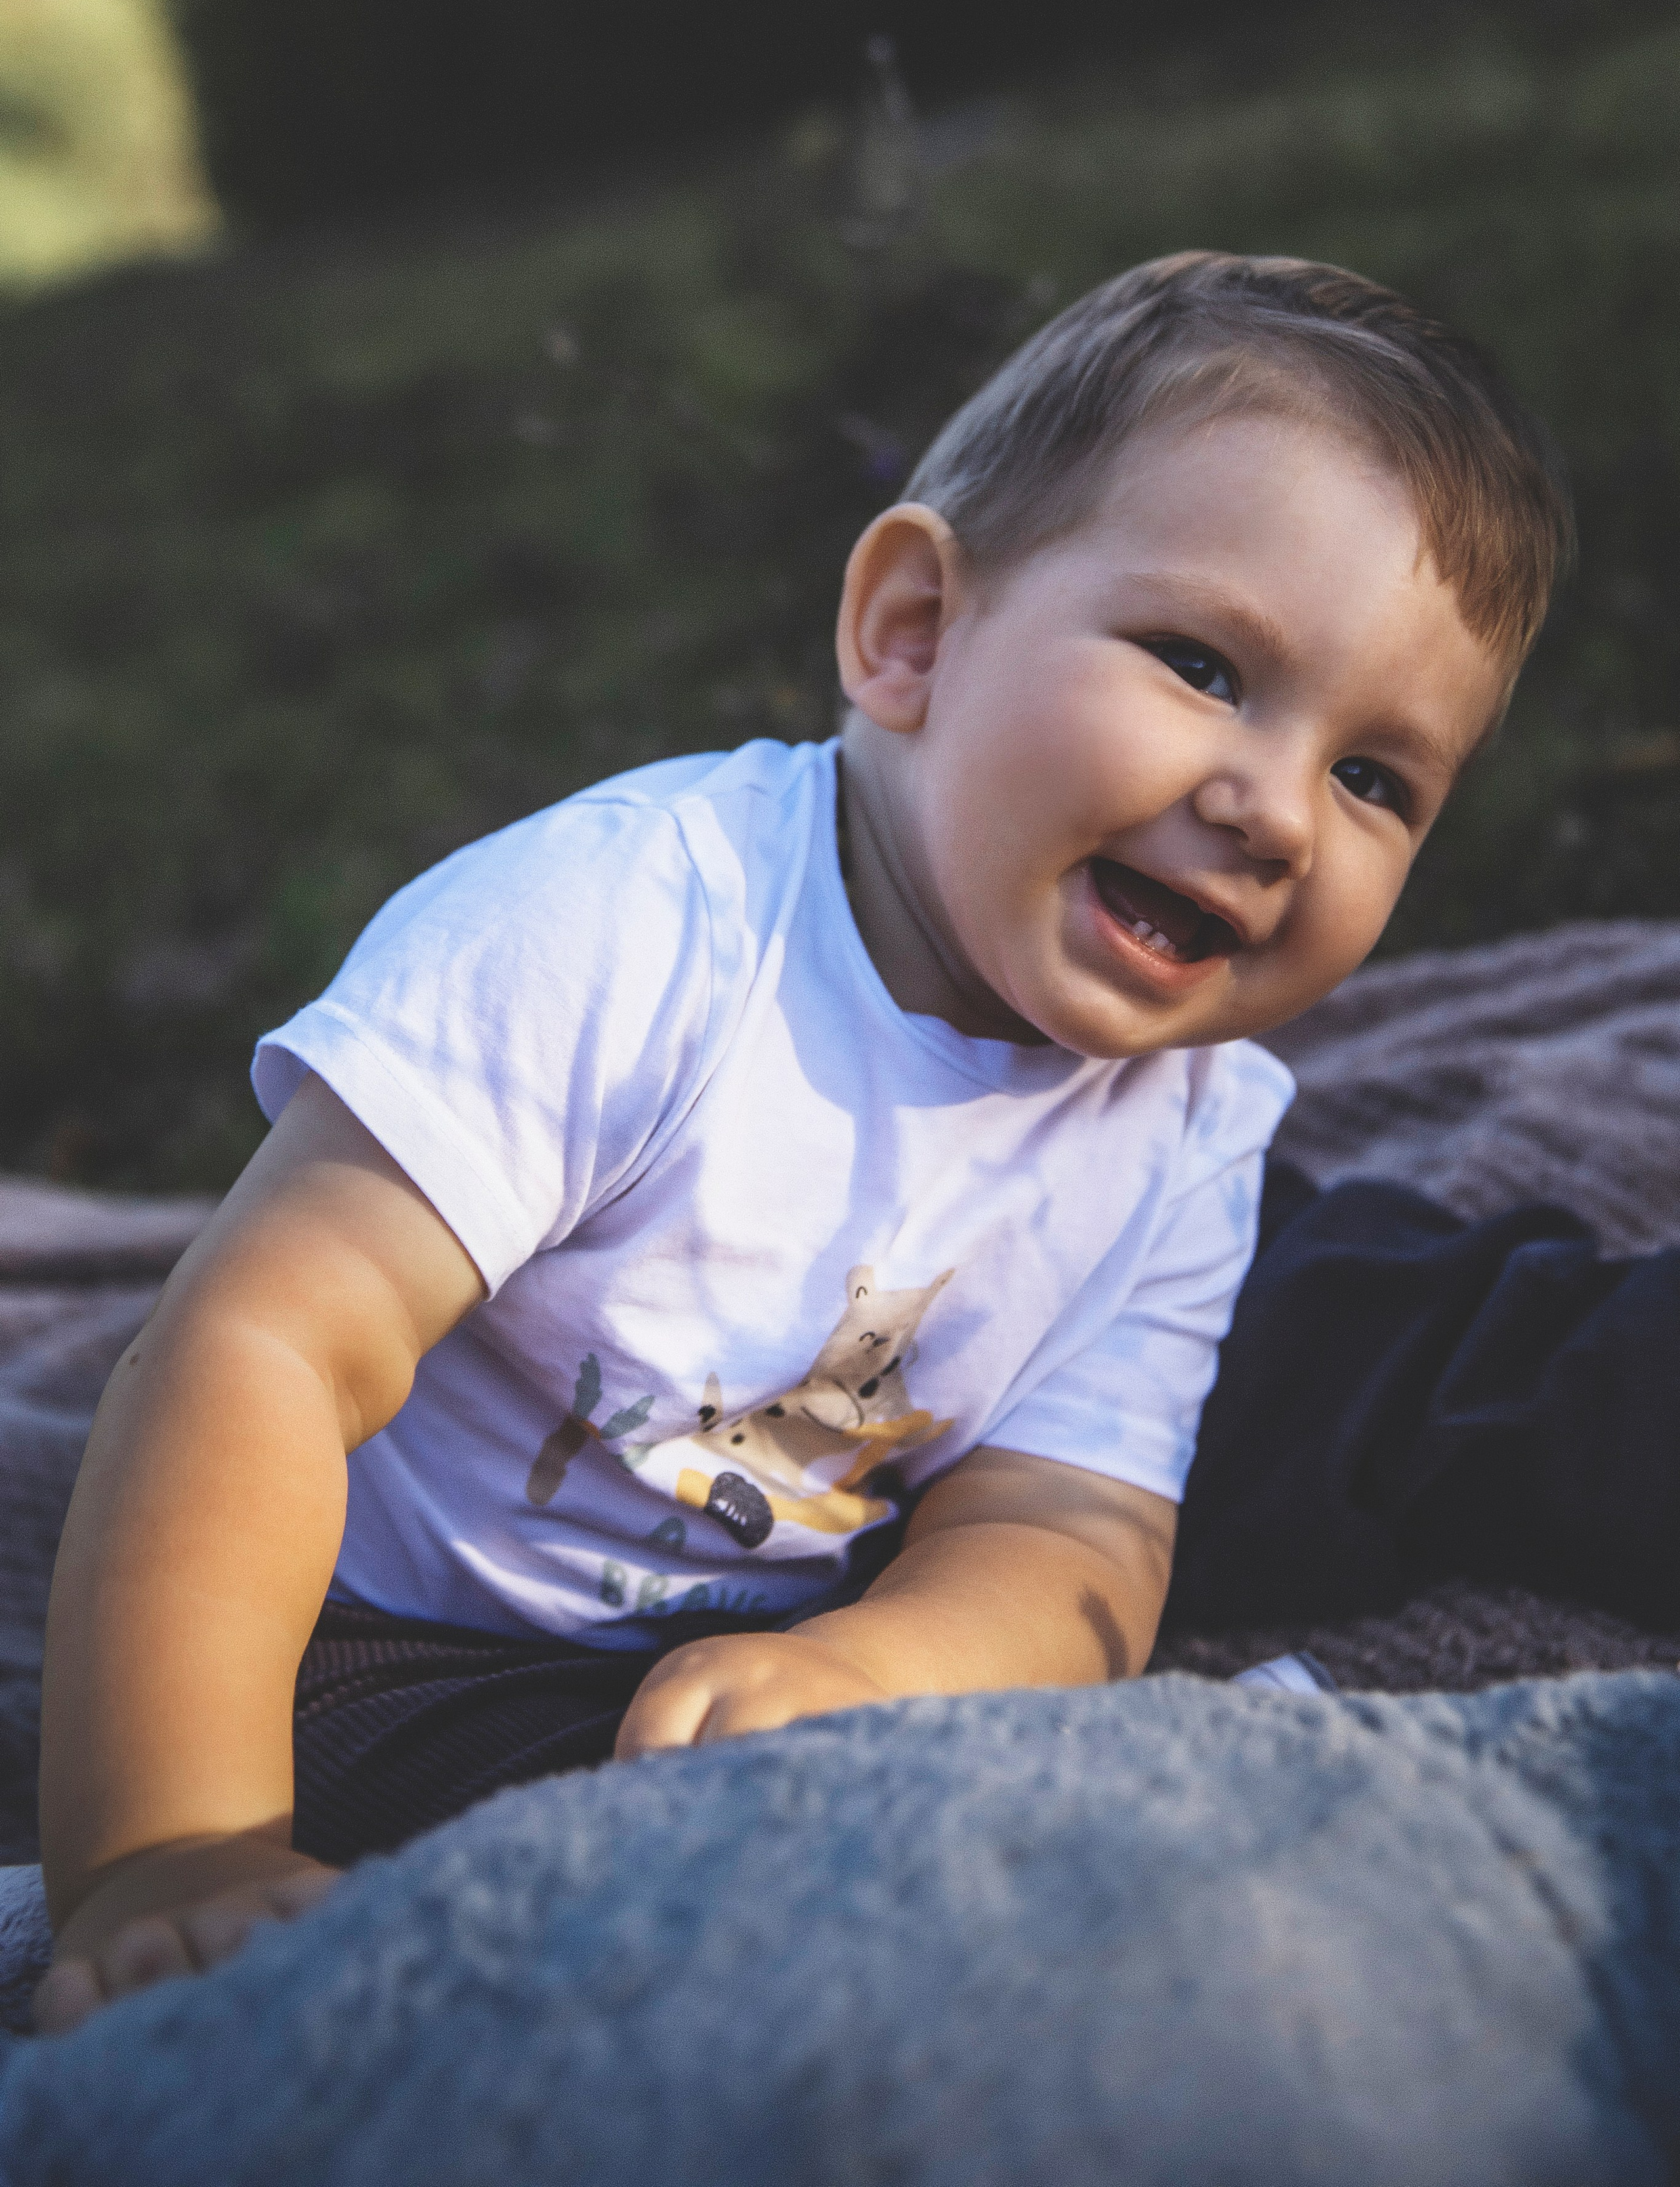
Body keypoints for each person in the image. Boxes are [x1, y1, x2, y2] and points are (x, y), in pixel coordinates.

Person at [33, 251, 1573, 2033]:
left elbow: (1066, 1524)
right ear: (914, 629)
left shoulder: (1194, 1124)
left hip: (787, 1608)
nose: (1275, 811)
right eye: (1206, 665)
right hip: (385, 1633)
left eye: (1378, 778)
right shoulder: (634, 929)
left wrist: (880, 1668)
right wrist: (168, 1851)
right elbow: (262, 1350)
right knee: (606, 1901)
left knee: (1022, 1783)